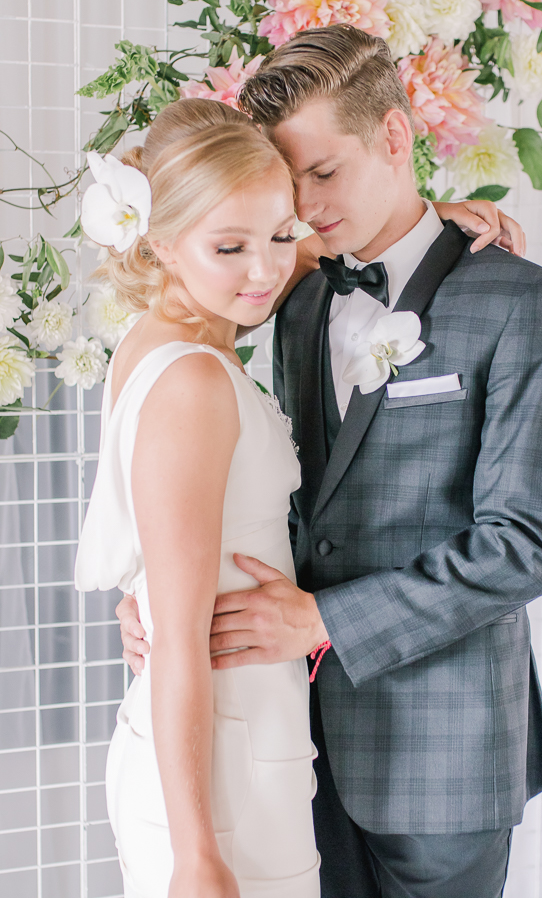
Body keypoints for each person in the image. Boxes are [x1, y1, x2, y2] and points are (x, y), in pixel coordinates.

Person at [118, 24, 542, 898]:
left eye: (323, 173)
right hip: (288, 740)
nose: (305, 204)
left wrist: (323, 622)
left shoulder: (523, 304)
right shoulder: (289, 300)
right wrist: (160, 589)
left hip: (443, 756)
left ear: (397, 136)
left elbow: (527, 544)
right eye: (289, 179)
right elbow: (276, 495)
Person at [76, 115, 323, 898]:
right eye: (229, 248)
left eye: (281, 234)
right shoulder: (192, 381)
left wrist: (438, 221)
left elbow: (275, 246)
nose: (267, 270)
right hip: (219, 779)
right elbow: (176, 642)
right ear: (157, 245)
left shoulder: (164, 337)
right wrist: (195, 856)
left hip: (237, 741)